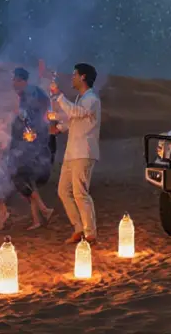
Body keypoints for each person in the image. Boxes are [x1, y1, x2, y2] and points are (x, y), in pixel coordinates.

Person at [49, 63, 101, 243]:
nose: (72, 78)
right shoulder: (80, 99)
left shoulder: (92, 99)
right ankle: (78, 229)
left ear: (83, 77)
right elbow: (73, 119)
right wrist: (59, 126)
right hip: (72, 153)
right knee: (63, 191)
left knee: (80, 193)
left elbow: (76, 113)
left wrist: (59, 95)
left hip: (84, 152)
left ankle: (90, 233)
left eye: (74, 75)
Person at [8, 74, 56, 230]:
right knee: (28, 181)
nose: (14, 82)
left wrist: (33, 133)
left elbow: (33, 119)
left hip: (28, 147)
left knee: (20, 178)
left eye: (16, 79)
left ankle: (44, 209)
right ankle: (37, 218)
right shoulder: (23, 96)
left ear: (23, 80)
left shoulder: (32, 95)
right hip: (22, 145)